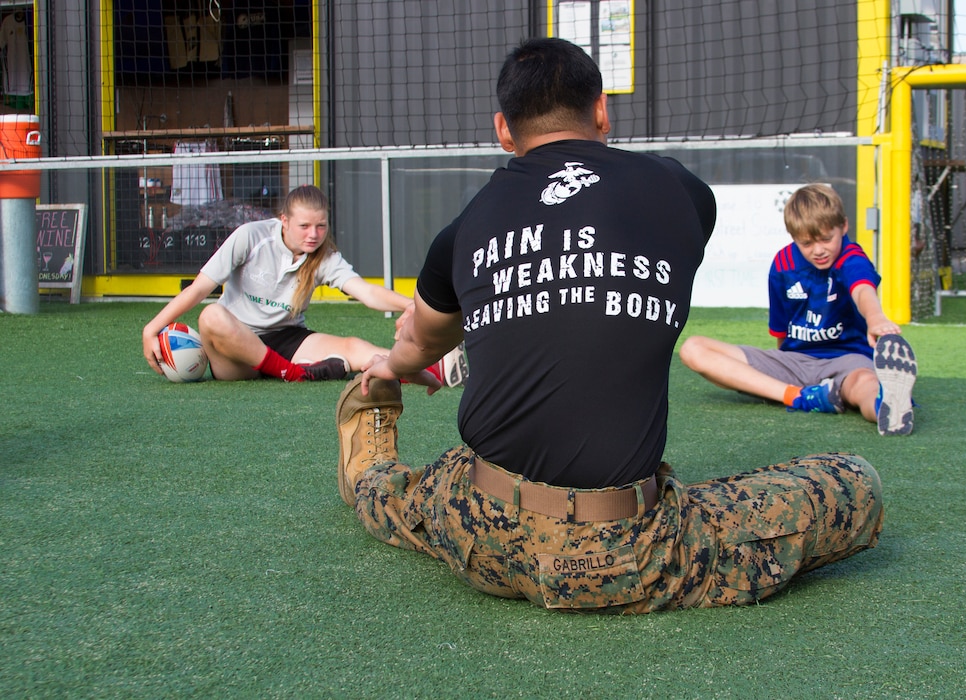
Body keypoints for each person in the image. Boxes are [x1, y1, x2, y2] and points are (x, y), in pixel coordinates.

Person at [336, 38, 883, 613]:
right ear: (601, 110)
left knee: (427, 486)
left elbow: (422, 338)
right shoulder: (682, 192)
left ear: (503, 129)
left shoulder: (464, 228)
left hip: (485, 529)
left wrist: (389, 366)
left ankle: (370, 472)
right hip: (627, 554)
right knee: (852, 482)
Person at [680, 183, 918, 436]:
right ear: (793, 237)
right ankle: (800, 398)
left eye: (827, 239)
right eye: (806, 243)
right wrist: (782, 368)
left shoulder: (851, 257)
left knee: (865, 385)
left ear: (844, 227)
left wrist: (876, 318)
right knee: (693, 348)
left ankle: (887, 407)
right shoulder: (782, 264)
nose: (818, 250)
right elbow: (781, 333)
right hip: (795, 364)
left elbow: (863, 289)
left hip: (847, 362)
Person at [142, 184, 421, 383]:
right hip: (237, 343)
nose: (314, 235)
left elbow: (368, 292)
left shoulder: (324, 256)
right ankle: (295, 374)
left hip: (288, 339)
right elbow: (199, 288)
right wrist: (151, 329)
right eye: (304, 226)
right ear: (284, 221)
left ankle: (434, 370)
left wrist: (411, 305)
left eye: (321, 226)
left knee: (354, 347)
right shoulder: (250, 236)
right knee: (211, 315)